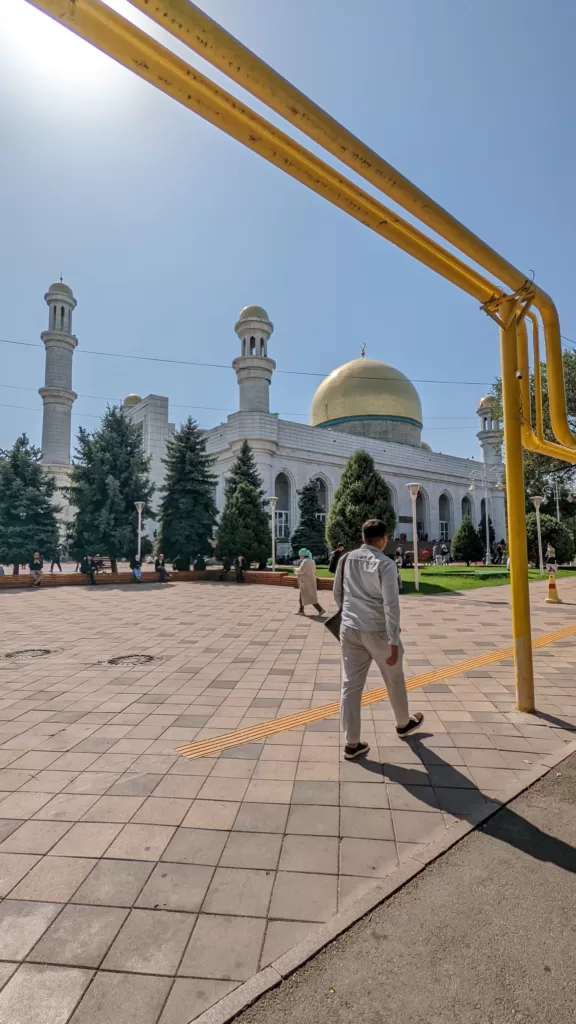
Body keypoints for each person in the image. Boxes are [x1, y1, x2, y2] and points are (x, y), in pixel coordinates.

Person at [334, 518, 423, 760]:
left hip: (349, 628)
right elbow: (391, 606)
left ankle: (351, 743)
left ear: (364, 538)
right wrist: (393, 641)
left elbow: (337, 593)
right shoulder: (385, 564)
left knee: (350, 685)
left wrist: (350, 614)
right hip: (378, 630)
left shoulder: (346, 559)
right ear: (383, 540)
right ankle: (403, 724)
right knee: (394, 679)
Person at [296, 548, 325, 615]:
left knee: (310, 597)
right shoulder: (312, 561)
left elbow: (301, 571)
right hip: (310, 581)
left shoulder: (305, 561)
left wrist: (295, 569)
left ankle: (320, 610)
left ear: (303, 555)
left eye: (300, 555)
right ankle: (301, 610)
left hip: (306, 581)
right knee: (303, 596)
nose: (300, 557)